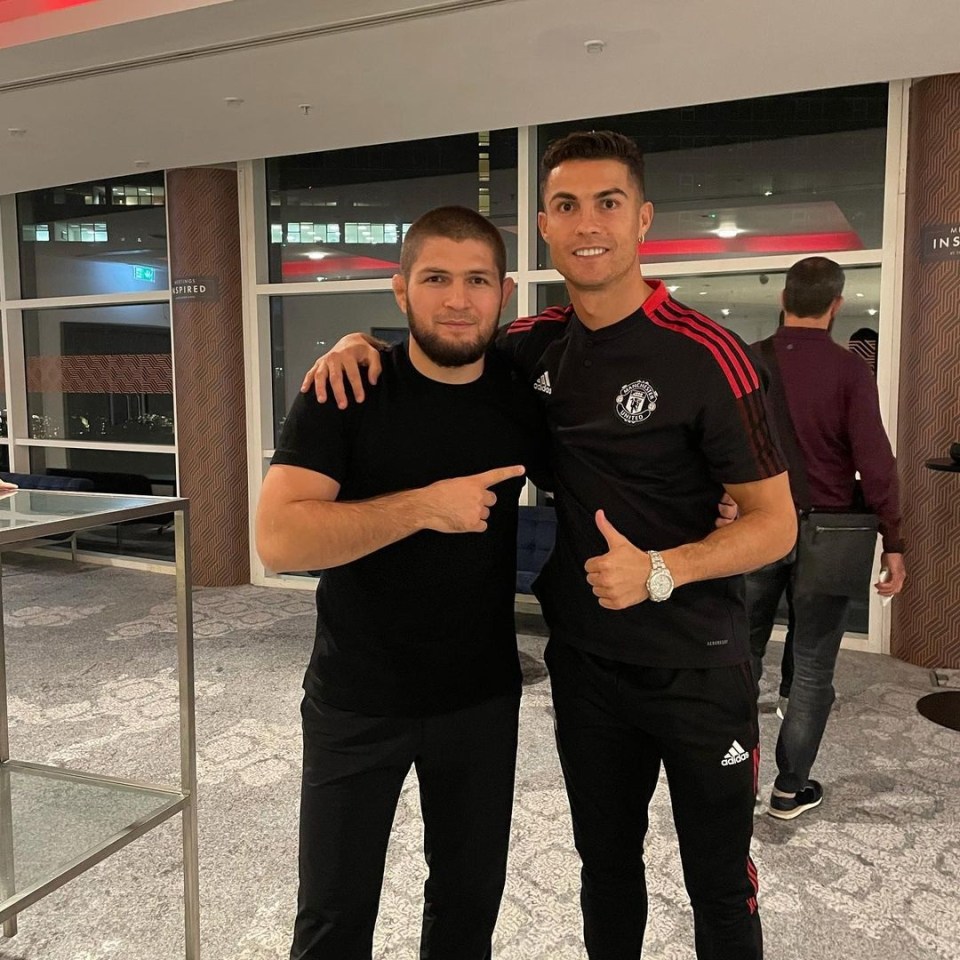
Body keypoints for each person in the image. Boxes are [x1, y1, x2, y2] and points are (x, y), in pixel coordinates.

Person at [301, 131, 797, 960]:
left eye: (608, 202)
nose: (587, 222)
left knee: (718, 881)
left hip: (699, 664)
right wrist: (361, 346)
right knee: (605, 869)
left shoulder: (711, 355)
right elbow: (442, 343)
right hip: (587, 664)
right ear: (544, 224)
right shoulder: (533, 345)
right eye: (567, 205)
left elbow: (774, 524)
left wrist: (665, 571)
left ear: (642, 219)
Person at [256, 206, 549, 960]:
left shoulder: (520, 398)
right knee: (332, 919)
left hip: (480, 702)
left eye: (477, 279)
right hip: (357, 698)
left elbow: (615, 471)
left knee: (465, 909)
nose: (458, 298)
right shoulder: (348, 389)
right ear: (400, 290)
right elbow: (279, 537)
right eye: (437, 278)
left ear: (504, 291)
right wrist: (425, 508)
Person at [745, 257, 905, 820]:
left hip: (756, 527)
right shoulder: (847, 371)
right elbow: (876, 462)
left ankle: (731, 775)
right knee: (812, 667)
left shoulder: (749, 362)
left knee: (740, 657)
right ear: (836, 304)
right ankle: (789, 790)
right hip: (830, 531)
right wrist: (894, 541)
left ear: (783, 297)